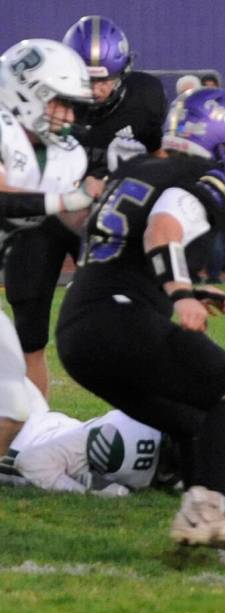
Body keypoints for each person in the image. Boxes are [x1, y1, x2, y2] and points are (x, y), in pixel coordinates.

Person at [56, 88, 225, 567]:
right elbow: (162, 229)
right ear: (222, 141)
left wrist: (181, 283)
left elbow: (108, 233)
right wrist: (182, 293)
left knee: (195, 422)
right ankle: (203, 512)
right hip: (118, 317)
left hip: (78, 332)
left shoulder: (135, 168)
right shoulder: (200, 175)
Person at [0, 38, 98, 400]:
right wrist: (72, 198)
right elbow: (4, 200)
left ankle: (27, 441)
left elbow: (74, 221)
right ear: (30, 92)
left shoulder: (65, 154)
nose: (69, 117)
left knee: (18, 367)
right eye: (61, 103)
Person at [0, 185, 97, 457]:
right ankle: (34, 436)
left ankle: (138, 425)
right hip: (35, 215)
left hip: (94, 208)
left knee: (120, 318)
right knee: (29, 335)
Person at [63, 15, 167, 177]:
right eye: (87, 80)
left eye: (104, 80)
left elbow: (160, 156)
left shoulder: (145, 97)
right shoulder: (54, 99)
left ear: (123, 73)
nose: (96, 90)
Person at [1, 404, 180, 497]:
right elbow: (32, 461)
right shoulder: (124, 442)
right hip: (23, 440)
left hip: (45, 425)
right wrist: (84, 490)